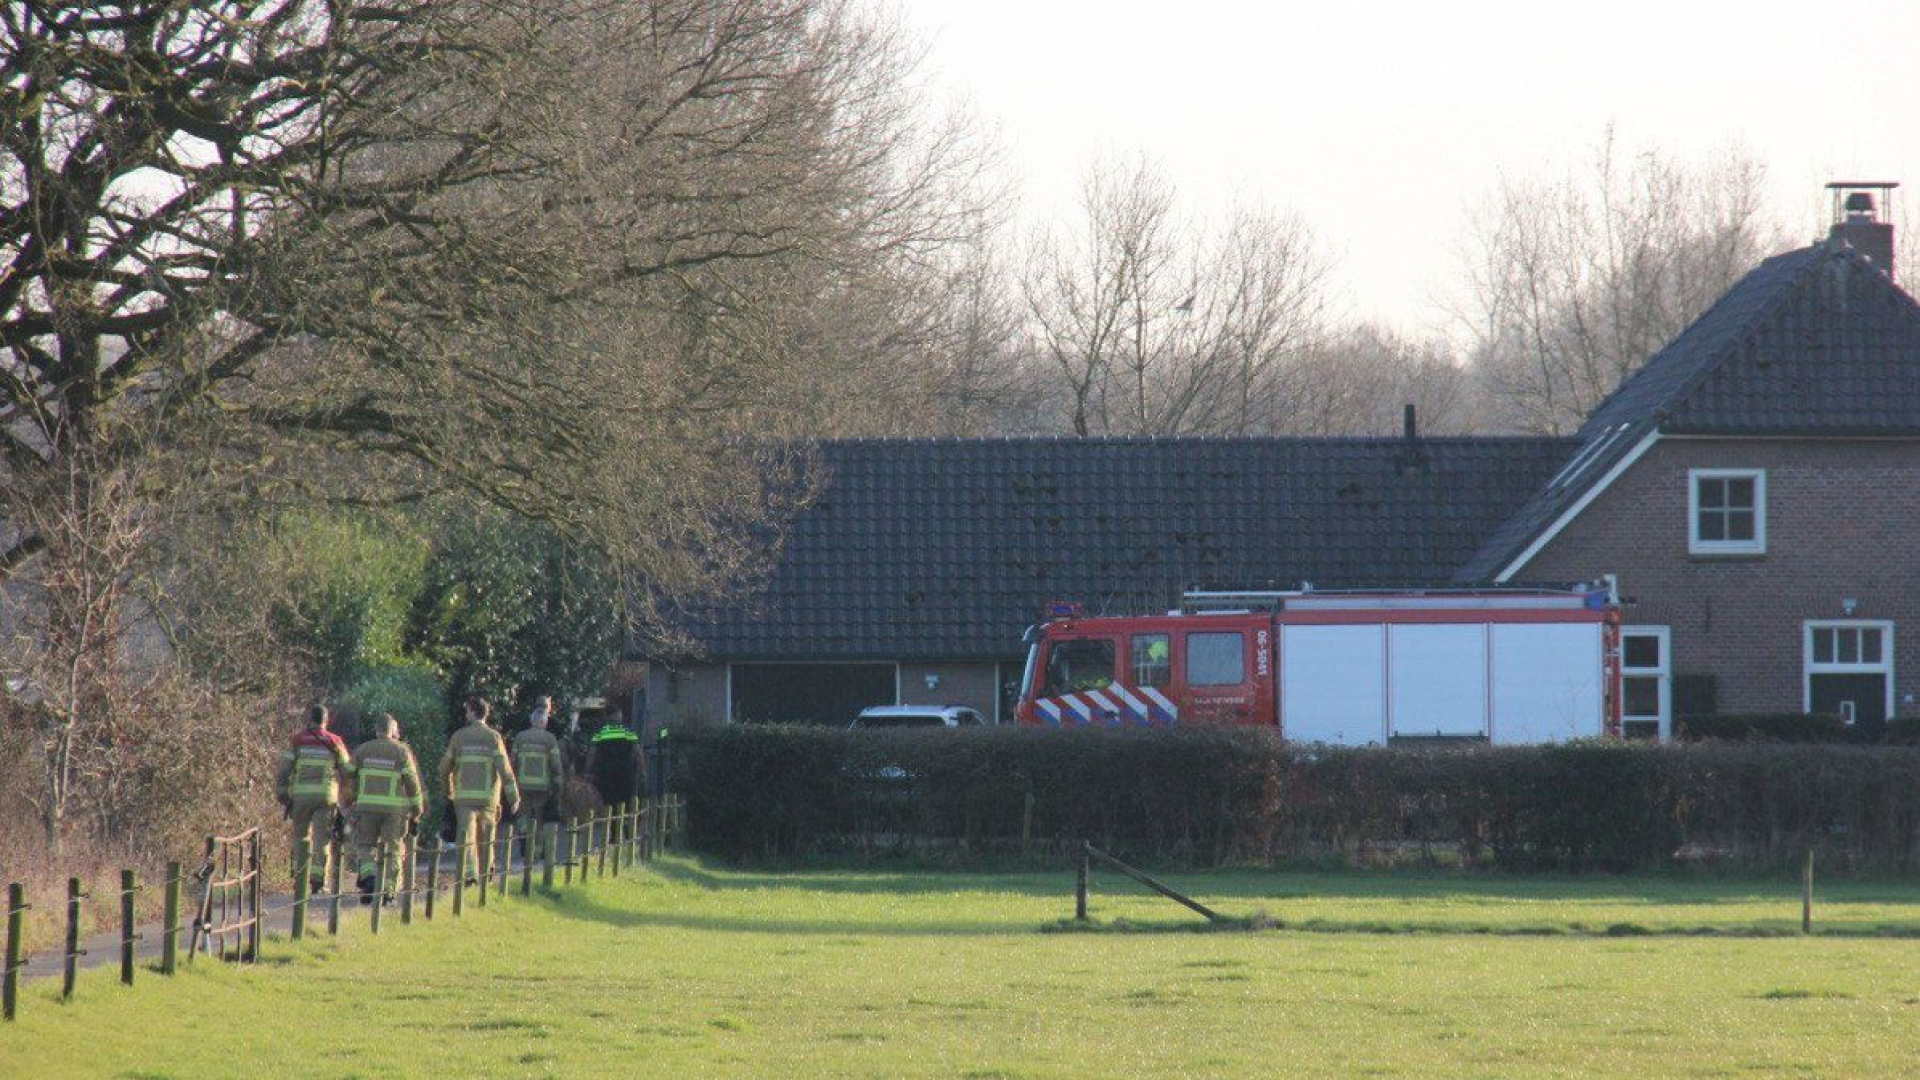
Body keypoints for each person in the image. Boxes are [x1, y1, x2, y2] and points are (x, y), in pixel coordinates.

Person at [438, 696, 519, 885]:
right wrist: (513, 796)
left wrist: (448, 790)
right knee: (487, 835)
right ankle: (486, 872)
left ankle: (470, 874)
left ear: (474, 712)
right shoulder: (494, 737)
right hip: (488, 797)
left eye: (467, 710)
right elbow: (504, 769)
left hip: (463, 797)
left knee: (466, 835)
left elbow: (444, 768)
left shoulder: (459, 737)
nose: (466, 714)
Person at [275, 704, 353, 893]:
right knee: (322, 839)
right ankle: (317, 881)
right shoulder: (335, 741)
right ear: (327, 721)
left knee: (300, 836)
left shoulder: (298, 740)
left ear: (309, 719)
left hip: (301, 796)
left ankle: (298, 877)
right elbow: (346, 770)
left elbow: (284, 768)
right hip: (325, 797)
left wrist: (282, 792)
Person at [350, 714, 426, 905]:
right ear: (393, 731)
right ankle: (388, 891)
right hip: (393, 811)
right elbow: (412, 783)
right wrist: (417, 809)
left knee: (365, 845)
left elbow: (349, 777)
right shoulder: (402, 751)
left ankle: (369, 878)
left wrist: (349, 804)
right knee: (392, 848)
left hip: (366, 808)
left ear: (377, 730)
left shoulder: (362, 750)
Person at [511, 695, 567, 861]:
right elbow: (556, 765)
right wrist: (558, 786)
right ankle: (538, 851)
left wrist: (513, 782)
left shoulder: (520, 737)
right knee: (541, 819)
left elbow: (512, 761)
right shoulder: (550, 739)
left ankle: (524, 842)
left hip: (523, 785)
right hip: (543, 787)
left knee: (524, 816)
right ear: (544, 722)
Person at [587, 706, 646, 808]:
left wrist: (588, 771)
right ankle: (625, 822)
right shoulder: (629, 732)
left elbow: (592, 754)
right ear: (618, 716)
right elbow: (638, 753)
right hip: (625, 771)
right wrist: (642, 770)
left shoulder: (600, 732)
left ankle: (610, 822)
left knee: (608, 801)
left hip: (605, 773)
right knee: (626, 800)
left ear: (607, 717)